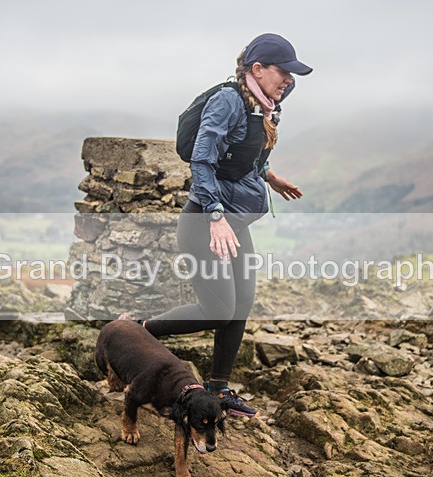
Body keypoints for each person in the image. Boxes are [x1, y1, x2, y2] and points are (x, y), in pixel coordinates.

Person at [123, 33, 312, 417]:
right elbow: (203, 160)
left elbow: (242, 156)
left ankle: (219, 389)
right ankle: (141, 331)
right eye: (284, 72)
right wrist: (215, 215)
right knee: (218, 309)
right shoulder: (228, 100)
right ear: (257, 69)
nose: (289, 80)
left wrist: (271, 177)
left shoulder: (262, 106)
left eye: (293, 74)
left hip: (233, 222)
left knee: (242, 303)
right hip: (204, 223)